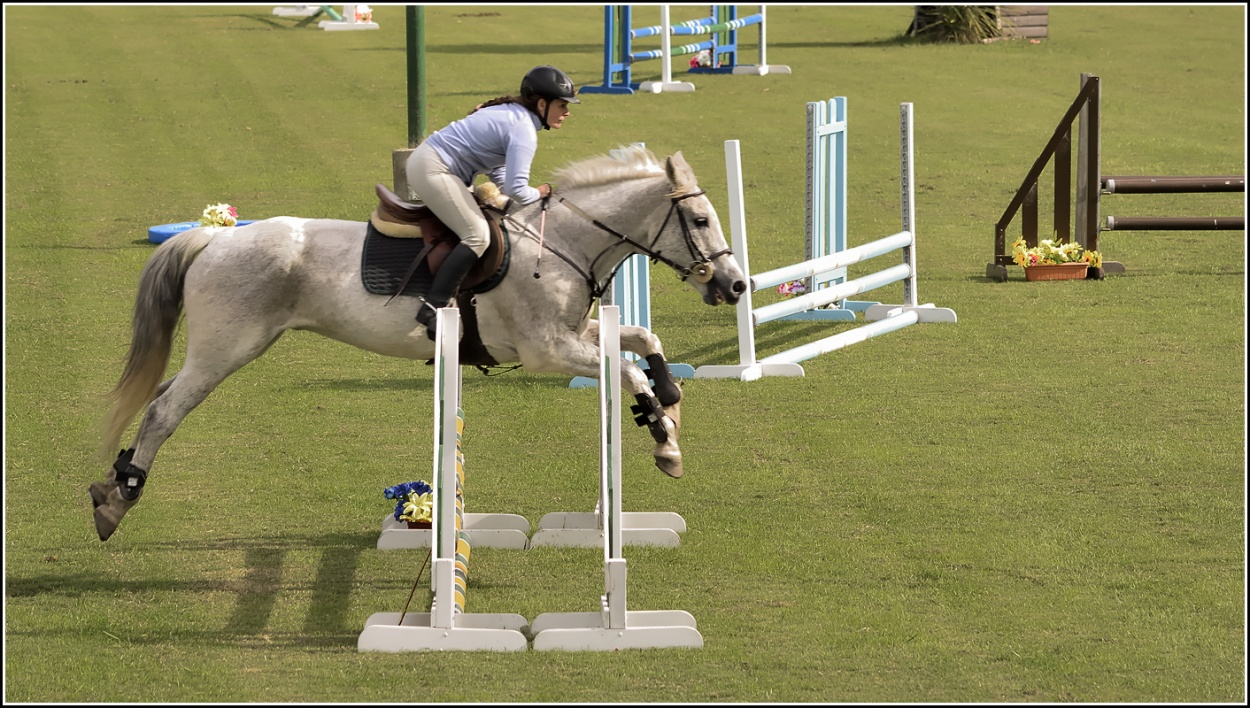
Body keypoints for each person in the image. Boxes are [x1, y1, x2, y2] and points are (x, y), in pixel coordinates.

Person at [405, 64, 579, 339]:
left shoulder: (515, 116)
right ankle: (433, 307)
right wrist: (541, 193)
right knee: (477, 235)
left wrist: (513, 201)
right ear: (542, 104)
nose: (567, 112)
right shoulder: (523, 129)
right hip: (435, 169)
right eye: (562, 105)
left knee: (492, 223)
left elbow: (498, 171)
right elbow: (517, 188)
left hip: (437, 165)